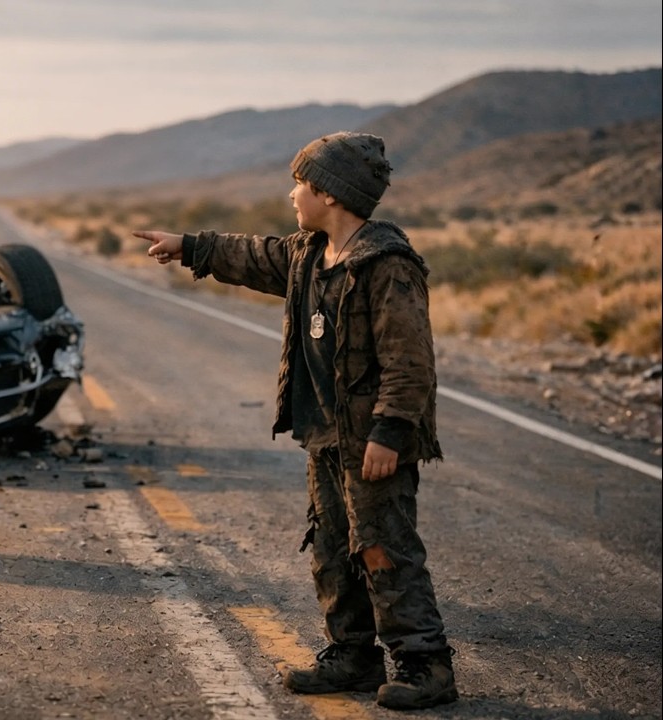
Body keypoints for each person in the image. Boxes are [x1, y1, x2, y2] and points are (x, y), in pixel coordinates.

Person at [134, 132, 457, 710]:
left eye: (301, 184)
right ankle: (352, 655)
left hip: (371, 441)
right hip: (327, 436)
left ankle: (425, 663)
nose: (292, 195)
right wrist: (188, 246)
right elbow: (253, 255)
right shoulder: (309, 253)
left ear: (330, 194)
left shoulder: (387, 265)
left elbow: (410, 362)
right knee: (331, 548)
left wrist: (389, 433)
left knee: (383, 548)